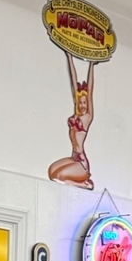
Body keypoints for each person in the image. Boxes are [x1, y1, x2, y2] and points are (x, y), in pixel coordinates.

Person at [48, 55, 94, 189]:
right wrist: (69, 57)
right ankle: (80, 181)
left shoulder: (87, 117)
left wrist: (91, 64)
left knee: (58, 177)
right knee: (51, 172)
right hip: (74, 157)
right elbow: (74, 83)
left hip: (81, 164)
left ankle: (84, 184)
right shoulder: (76, 115)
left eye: (85, 102)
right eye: (80, 102)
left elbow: (90, 91)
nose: (83, 105)